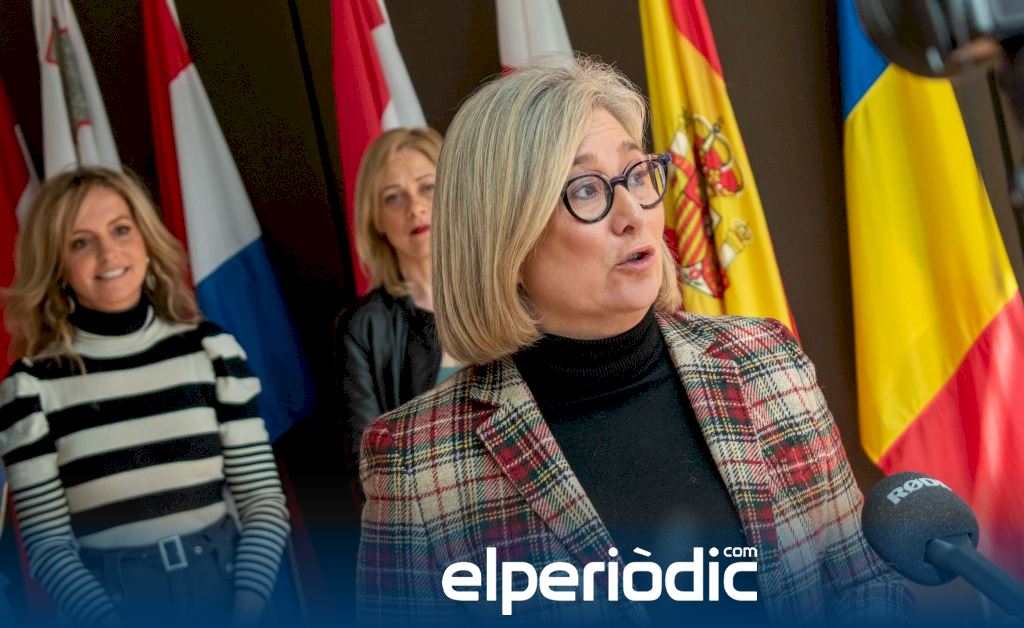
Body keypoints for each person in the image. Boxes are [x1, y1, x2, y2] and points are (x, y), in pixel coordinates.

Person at [356, 58, 913, 625]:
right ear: (504, 236)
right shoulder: (414, 465)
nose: (633, 214)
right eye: (586, 189)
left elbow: (863, 579)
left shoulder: (764, 360)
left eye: (638, 175)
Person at [0, 168, 290, 626]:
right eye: (80, 242)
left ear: (146, 240)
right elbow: (48, 545)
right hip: (112, 608)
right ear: (56, 264)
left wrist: (247, 609)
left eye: (120, 229)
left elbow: (262, 501)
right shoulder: (30, 387)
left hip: (230, 593)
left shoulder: (212, 352)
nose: (107, 253)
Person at [337, 128, 460, 468]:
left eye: (427, 187)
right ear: (376, 219)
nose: (415, 208)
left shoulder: (507, 291)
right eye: (393, 197)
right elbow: (368, 463)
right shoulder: (363, 328)